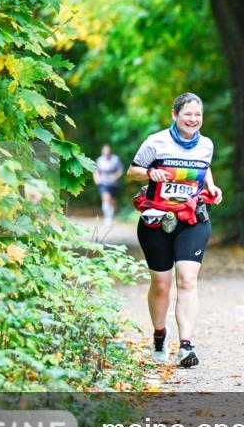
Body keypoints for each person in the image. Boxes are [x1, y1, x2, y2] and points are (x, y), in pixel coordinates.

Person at [127, 92, 223, 368]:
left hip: (192, 218)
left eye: (198, 115)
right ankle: (159, 335)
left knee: (187, 279)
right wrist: (149, 173)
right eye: (188, 114)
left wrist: (211, 187)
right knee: (161, 283)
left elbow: (204, 169)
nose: (193, 120)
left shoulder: (206, 144)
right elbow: (132, 171)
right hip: (156, 220)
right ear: (174, 115)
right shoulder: (156, 142)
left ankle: (186, 345)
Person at [93, 144, 123, 223]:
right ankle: (107, 217)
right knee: (106, 198)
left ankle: (111, 215)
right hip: (103, 183)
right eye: (104, 152)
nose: (106, 153)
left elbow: (120, 170)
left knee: (112, 200)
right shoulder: (99, 160)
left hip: (114, 183)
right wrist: (97, 179)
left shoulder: (115, 159)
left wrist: (115, 177)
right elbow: (96, 171)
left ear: (110, 152)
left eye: (107, 152)